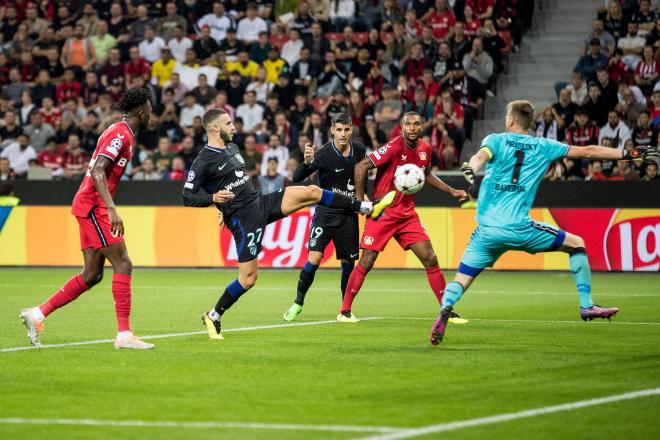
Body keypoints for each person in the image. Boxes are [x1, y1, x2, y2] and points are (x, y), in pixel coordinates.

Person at [429, 100, 660, 345]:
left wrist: (470, 169)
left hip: (486, 231)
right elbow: (588, 152)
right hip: (519, 228)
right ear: (529, 123)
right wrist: (632, 153)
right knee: (576, 244)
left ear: (510, 120)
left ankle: (447, 306)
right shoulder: (543, 146)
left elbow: (478, 157)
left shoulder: (495, 140)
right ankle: (586, 305)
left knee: (461, 279)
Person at [182, 109, 396, 340]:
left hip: (260, 202)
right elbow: (188, 196)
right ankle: (214, 315)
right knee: (249, 279)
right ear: (215, 128)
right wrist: (214, 200)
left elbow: (236, 183)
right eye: (228, 123)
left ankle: (366, 207)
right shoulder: (203, 160)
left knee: (312, 191)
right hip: (245, 220)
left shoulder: (233, 148)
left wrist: (222, 206)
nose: (234, 127)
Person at [19, 88, 155, 350]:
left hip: (89, 204)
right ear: (142, 112)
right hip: (94, 206)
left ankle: (37, 314)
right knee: (123, 263)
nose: (151, 116)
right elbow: (99, 171)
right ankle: (124, 335)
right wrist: (111, 207)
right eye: (149, 112)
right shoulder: (120, 133)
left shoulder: (120, 131)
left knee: (92, 274)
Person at [338, 112, 469, 322]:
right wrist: (360, 201)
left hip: (407, 214)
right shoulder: (394, 147)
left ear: (422, 127)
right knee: (367, 261)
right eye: (408, 124)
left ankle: (447, 310)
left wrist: (452, 191)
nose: (413, 128)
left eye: (417, 124)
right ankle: (344, 310)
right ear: (401, 127)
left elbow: (426, 175)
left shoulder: (425, 149)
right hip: (383, 212)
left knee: (430, 258)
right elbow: (361, 166)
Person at [282, 113, 365, 322]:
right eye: (339, 129)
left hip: (348, 215)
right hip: (325, 213)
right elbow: (297, 177)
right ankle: (298, 303)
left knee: (348, 263)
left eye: (346, 129)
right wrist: (307, 162)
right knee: (314, 258)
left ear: (351, 130)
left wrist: (364, 200)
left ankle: (345, 309)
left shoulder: (360, 151)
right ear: (332, 130)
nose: (343, 134)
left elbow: (361, 179)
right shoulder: (324, 153)